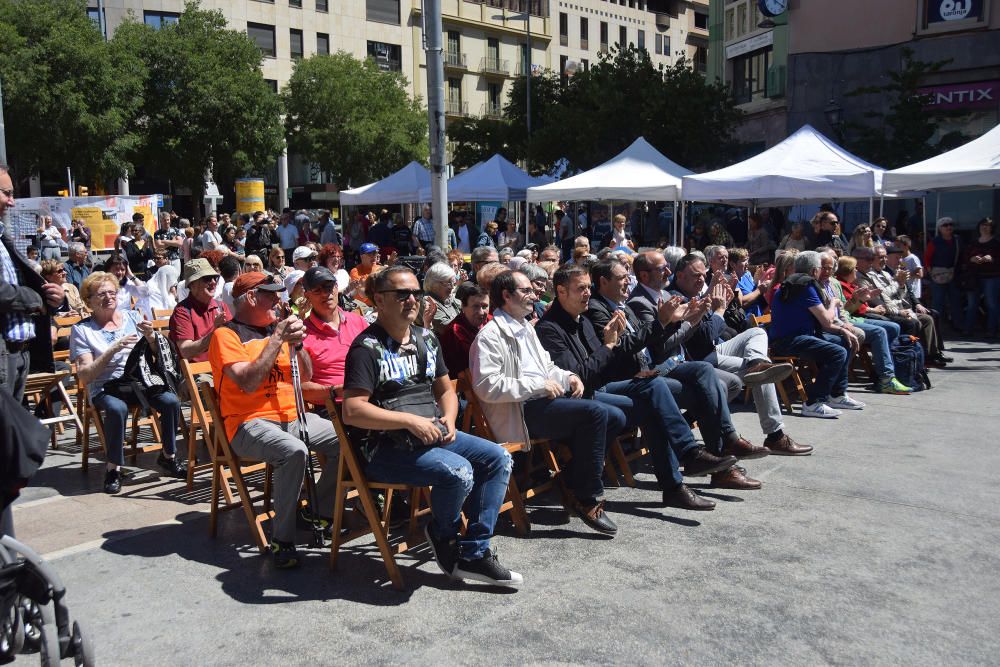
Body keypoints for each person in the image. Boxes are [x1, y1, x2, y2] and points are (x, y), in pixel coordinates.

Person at [342, 266, 522, 585]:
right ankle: (443, 535)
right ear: (379, 301)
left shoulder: (426, 339)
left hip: (431, 434)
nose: (412, 299)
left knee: (498, 458)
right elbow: (353, 411)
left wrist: (450, 418)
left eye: (416, 293)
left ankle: (475, 552)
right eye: (402, 294)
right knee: (459, 472)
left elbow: (444, 390)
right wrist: (408, 420)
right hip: (385, 449)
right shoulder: (366, 349)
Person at [542, 262, 743, 503]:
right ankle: (683, 471)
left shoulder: (581, 319)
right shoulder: (551, 328)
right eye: (581, 288)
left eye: (588, 287)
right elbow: (582, 376)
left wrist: (633, 358)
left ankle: (687, 467)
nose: (587, 292)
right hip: (581, 397)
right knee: (661, 399)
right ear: (561, 291)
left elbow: (606, 362)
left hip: (608, 384)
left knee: (675, 386)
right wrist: (611, 345)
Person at [471, 270, 625, 535]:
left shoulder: (523, 327)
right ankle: (586, 497)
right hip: (520, 410)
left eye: (533, 290)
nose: (534, 296)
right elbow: (487, 386)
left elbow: (547, 366)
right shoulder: (490, 336)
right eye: (526, 291)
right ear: (506, 296)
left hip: (543, 402)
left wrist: (569, 376)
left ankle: (569, 481)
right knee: (595, 413)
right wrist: (539, 385)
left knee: (615, 416)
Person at [209, 271, 340, 568]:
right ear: (252, 297)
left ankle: (315, 508)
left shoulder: (275, 330)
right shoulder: (226, 335)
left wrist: (298, 345)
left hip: (294, 417)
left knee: (348, 439)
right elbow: (249, 382)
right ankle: (283, 539)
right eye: (271, 294)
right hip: (247, 423)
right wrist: (278, 337)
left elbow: (305, 375)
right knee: (294, 452)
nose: (279, 300)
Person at [670, 254, 812, 454]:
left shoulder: (694, 292)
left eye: (703, 275)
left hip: (709, 350)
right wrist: (719, 310)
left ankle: (757, 362)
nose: (701, 279)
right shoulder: (676, 298)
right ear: (680, 275)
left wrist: (711, 296)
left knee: (757, 334)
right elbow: (707, 333)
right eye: (696, 275)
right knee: (765, 375)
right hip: (699, 358)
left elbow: (714, 329)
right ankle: (775, 436)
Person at [70, 272, 186, 493]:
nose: (108, 297)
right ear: (89, 300)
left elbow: (155, 353)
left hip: (138, 381)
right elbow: (85, 376)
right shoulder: (82, 329)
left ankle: (168, 456)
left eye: (112, 292)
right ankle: (113, 468)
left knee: (171, 401)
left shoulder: (132, 317)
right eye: (101, 294)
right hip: (106, 385)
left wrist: (152, 337)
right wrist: (113, 349)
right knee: (117, 408)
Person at [769, 251, 865, 418]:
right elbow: (827, 321)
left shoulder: (793, 282)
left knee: (844, 341)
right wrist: (834, 302)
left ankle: (837, 395)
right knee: (838, 352)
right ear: (814, 270)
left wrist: (843, 330)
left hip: (796, 336)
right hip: (788, 341)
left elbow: (823, 323)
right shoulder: (805, 286)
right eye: (821, 268)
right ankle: (813, 403)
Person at [818, 251, 910, 394]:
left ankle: (890, 371)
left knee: (894, 327)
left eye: (833, 264)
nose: (831, 268)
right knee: (880, 331)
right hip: (835, 323)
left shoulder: (834, 283)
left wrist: (860, 300)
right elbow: (833, 313)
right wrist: (858, 303)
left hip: (848, 319)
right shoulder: (819, 285)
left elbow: (843, 310)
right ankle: (886, 378)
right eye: (826, 266)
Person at [855, 246, 948, 367]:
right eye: (880, 257)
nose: (884, 260)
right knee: (913, 322)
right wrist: (898, 284)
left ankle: (927, 355)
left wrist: (901, 284)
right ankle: (909, 360)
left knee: (928, 317)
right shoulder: (866, 275)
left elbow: (899, 294)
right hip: (884, 311)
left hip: (897, 307)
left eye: (885, 257)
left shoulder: (886, 273)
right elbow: (880, 296)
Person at [297, 267, 368, 404]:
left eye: (329, 287)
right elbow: (301, 388)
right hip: (335, 406)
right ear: (307, 295)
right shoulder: (302, 335)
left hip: (370, 396)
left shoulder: (357, 321)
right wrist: (334, 391)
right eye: (317, 290)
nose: (325, 294)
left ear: (336, 287)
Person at [169, 259, 232, 362]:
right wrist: (214, 333)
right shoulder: (182, 312)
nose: (213, 282)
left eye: (215, 278)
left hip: (224, 365)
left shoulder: (221, 306)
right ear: (192, 285)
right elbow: (185, 351)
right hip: (200, 372)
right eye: (207, 278)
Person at [439, 282, 490, 379]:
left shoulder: (492, 321)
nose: (481, 312)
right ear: (463, 306)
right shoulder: (454, 331)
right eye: (475, 306)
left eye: (484, 306)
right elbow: (466, 370)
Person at [962, 218, 999, 337]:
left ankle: (991, 330)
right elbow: (965, 258)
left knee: (991, 304)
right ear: (979, 226)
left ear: (992, 228)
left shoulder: (996, 243)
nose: (985, 227)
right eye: (983, 225)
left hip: (991, 277)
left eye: (988, 225)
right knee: (972, 304)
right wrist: (971, 259)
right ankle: (968, 329)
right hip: (974, 277)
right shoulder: (973, 242)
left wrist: (992, 259)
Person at [923, 217, 962, 328]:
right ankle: (936, 327)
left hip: (954, 273)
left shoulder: (957, 240)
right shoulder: (935, 241)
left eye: (950, 224)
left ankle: (958, 325)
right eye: (945, 225)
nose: (948, 227)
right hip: (937, 275)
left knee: (955, 300)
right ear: (940, 228)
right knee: (938, 301)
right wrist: (930, 271)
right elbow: (927, 257)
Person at [422, 263, 460, 336]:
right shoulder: (428, 302)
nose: (452, 287)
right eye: (449, 283)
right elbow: (449, 329)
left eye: (453, 283)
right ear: (435, 284)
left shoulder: (448, 297)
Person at [896, 235, 924, 303]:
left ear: (906, 245)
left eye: (899, 246)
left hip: (913, 291)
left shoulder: (913, 258)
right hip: (904, 291)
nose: (897, 248)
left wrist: (907, 275)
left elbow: (920, 275)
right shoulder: (900, 259)